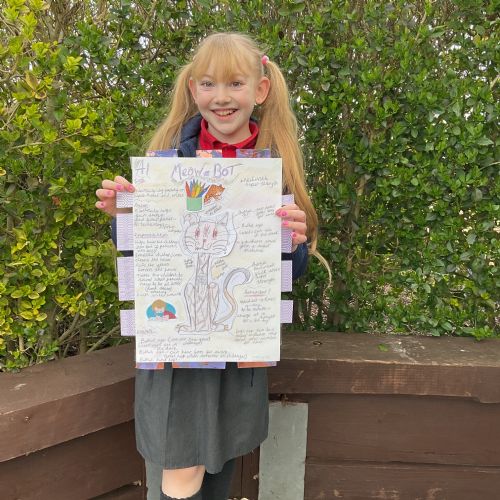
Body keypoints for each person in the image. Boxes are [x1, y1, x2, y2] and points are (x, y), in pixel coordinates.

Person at [96, 32, 319, 500]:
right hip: (176, 360)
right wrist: (124, 218)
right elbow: (147, 255)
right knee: (178, 476)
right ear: (193, 89)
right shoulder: (168, 158)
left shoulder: (273, 165)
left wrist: (293, 241)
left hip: (236, 355)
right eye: (209, 84)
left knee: (218, 468)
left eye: (235, 83)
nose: (222, 97)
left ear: (260, 89)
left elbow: (286, 271)